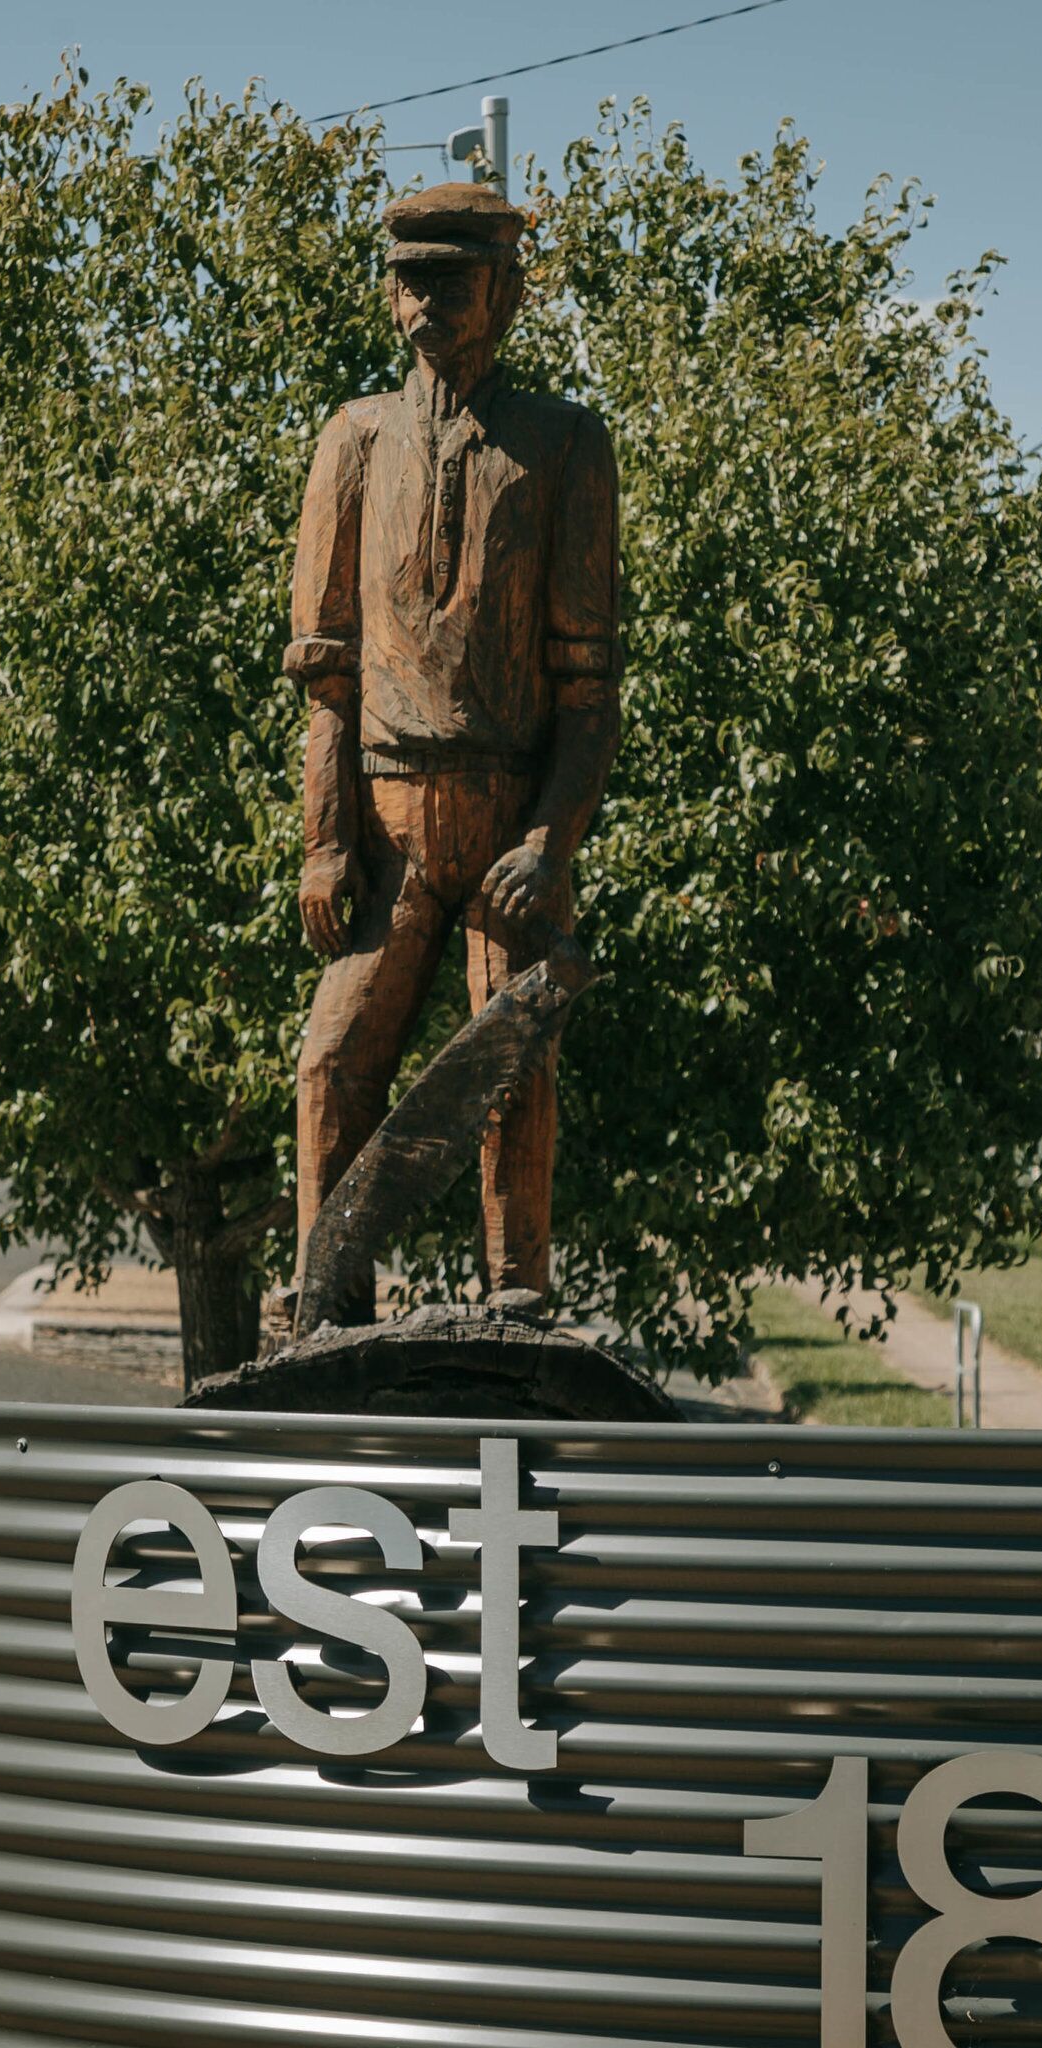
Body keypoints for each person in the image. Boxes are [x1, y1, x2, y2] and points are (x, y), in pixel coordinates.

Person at [284, 181, 622, 1318]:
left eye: (451, 276)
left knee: (510, 1062)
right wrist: (325, 844)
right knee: (332, 1062)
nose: (424, 297)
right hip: (384, 828)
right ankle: (326, 1295)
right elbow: (326, 681)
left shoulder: (566, 445)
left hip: (505, 816)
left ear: (507, 291)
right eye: (407, 276)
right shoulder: (355, 439)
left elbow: (588, 690)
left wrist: (551, 839)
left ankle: (516, 1292)